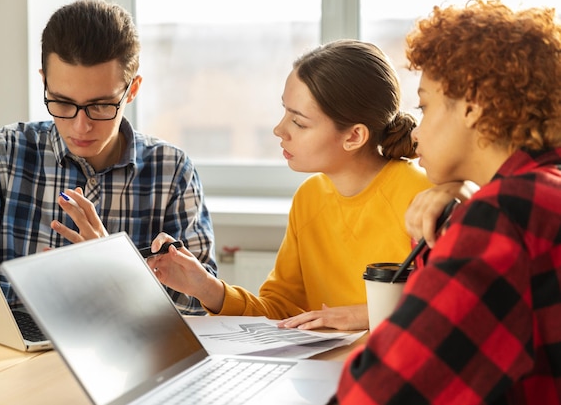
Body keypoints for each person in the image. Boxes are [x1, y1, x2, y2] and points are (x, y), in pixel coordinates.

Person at [337, 0, 561, 404]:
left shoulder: (504, 216)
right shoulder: (542, 192)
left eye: (424, 106)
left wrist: (477, 212)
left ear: (473, 106)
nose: (416, 133)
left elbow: (376, 393)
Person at [0, 0, 216, 315]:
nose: (80, 125)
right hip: (13, 357)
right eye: (61, 102)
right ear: (45, 81)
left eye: (100, 106)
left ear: (132, 90)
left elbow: (200, 302)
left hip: (129, 354)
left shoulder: (171, 172)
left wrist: (115, 270)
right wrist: (62, 289)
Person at [147, 39, 433, 331]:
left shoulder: (422, 194)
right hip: (329, 367)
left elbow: (448, 303)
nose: (279, 130)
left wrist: (367, 314)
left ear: (354, 137)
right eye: (285, 112)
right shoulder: (310, 197)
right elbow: (280, 311)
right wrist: (207, 288)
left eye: (299, 122)